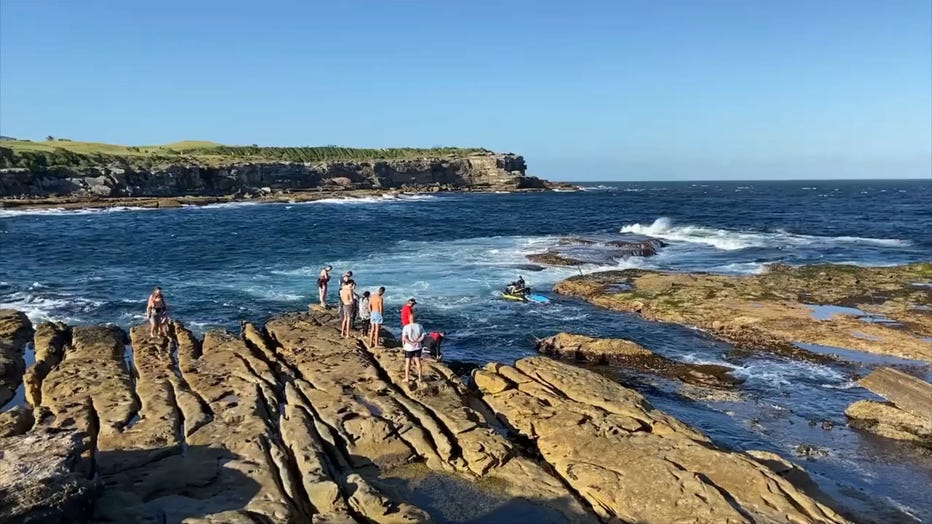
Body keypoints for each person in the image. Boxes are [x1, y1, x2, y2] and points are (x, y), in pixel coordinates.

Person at [401, 314, 426, 385]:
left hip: (409, 348)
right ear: (416, 319)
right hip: (418, 347)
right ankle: (420, 377)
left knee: (408, 362)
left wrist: (411, 343)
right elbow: (423, 336)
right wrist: (417, 341)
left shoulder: (406, 327)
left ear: (409, 319)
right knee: (418, 361)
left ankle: (407, 378)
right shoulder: (420, 326)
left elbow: (404, 338)